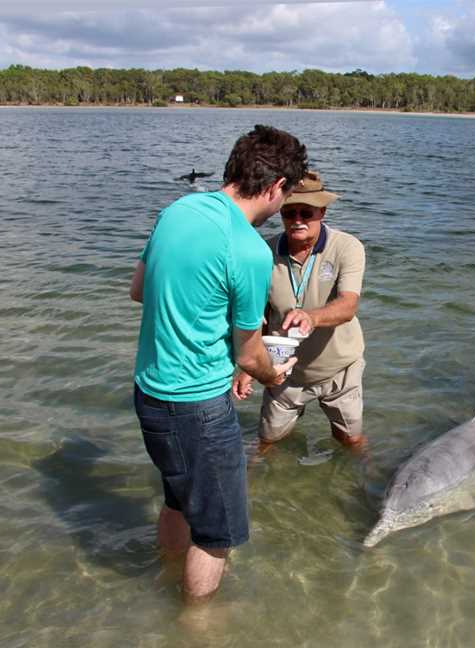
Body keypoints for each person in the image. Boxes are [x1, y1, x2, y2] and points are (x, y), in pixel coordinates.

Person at [129, 125, 308, 601]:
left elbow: (137, 290)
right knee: (217, 534)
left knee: (176, 500)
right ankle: (196, 626)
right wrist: (275, 375)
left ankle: (166, 580)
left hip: (149, 393)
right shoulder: (248, 248)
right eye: (286, 194)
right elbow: (249, 353)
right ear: (275, 188)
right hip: (199, 410)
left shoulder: (176, 211)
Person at [232, 171, 366, 449]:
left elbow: (348, 305)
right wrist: (249, 367)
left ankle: (365, 482)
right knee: (267, 442)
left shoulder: (347, 247)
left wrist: (312, 316)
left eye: (306, 213)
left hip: (340, 370)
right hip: (283, 371)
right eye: (288, 213)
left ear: (322, 211)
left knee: (350, 441)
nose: (297, 220)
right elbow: (259, 316)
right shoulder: (263, 252)